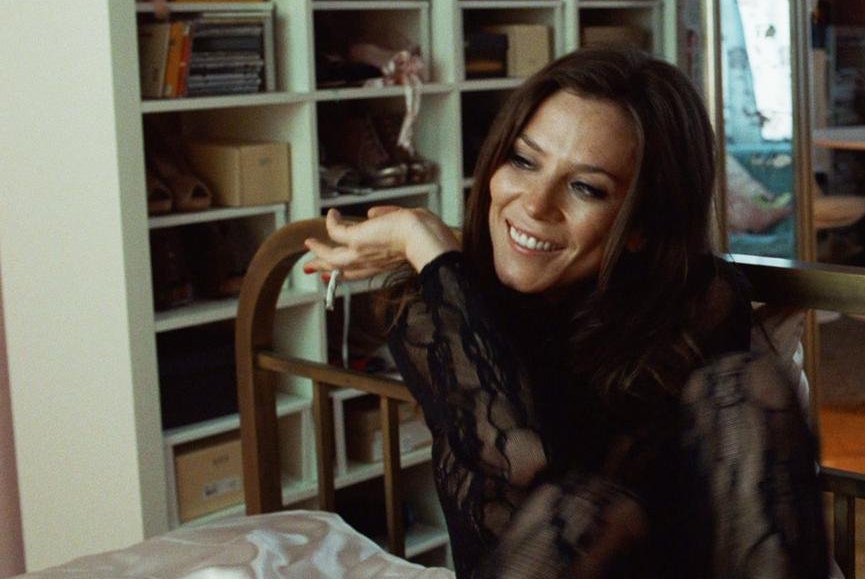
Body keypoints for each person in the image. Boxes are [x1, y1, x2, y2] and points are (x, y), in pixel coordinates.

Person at [303, 47, 828, 578]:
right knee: (578, 511)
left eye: (585, 188)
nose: (535, 203)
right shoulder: (432, 312)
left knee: (744, 385)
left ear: (642, 225)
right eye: (523, 161)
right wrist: (426, 243)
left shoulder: (697, 301)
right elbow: (525, 482)